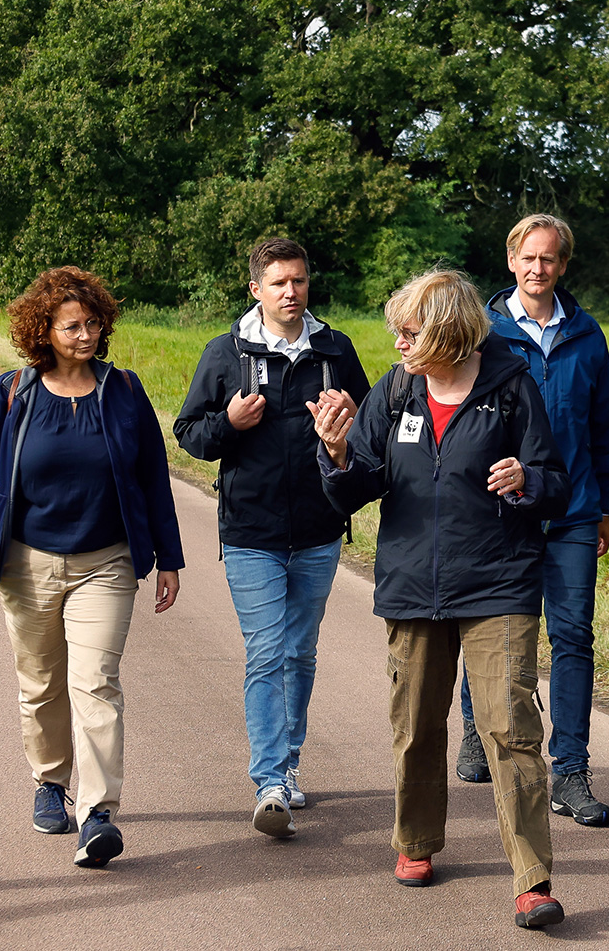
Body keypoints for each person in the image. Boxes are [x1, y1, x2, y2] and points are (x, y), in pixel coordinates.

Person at [313, 268, 570, 929]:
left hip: (499, 583)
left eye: (410, 330)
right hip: (412, 588)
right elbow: (355, 488)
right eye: (397, 330)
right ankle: (418, 843)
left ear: (449, 332)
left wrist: (526, 478)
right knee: (417, 727)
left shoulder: (511, 386)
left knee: (510, 729)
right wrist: (337, 453)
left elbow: (555, 483)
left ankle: (533, 879)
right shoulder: (394, 390)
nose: (398, 342)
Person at [0, 266, 183, 869]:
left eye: (93, 323)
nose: (85, 335)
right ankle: (50, 781)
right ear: (42, 330)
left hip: (107, 563)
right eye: (72, 325)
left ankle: (97, 813)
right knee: (42, 684)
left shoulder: (124, 392)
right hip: (29, 563)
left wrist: (170, 558)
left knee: (96, 682)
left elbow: (154, 477)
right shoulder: (10, 394)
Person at [173, 238, 370, 838]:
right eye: (279, 282)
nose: (292, 291)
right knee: (267, 651)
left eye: (300, 281)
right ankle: (270, 781)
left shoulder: (335, 351)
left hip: (317, 528)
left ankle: (288, 762)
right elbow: (188, 434)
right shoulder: (225, 352)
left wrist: (351, 419)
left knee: (300, 652)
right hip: (251, 530)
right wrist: (227, 425)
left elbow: (370, 428)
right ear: (255, 289)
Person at [454, 214, 609, 828]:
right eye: (528, 258)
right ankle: (476, 729)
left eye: (549, 259)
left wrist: (601, 504)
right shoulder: (485, 333)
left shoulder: (588, 335)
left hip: (572, 515)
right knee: (494, 634)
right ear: (510, 260)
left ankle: (570, 769)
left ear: (563, 266)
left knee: (573, 638)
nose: (537, 269)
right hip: (504, 514)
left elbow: (602, 429)